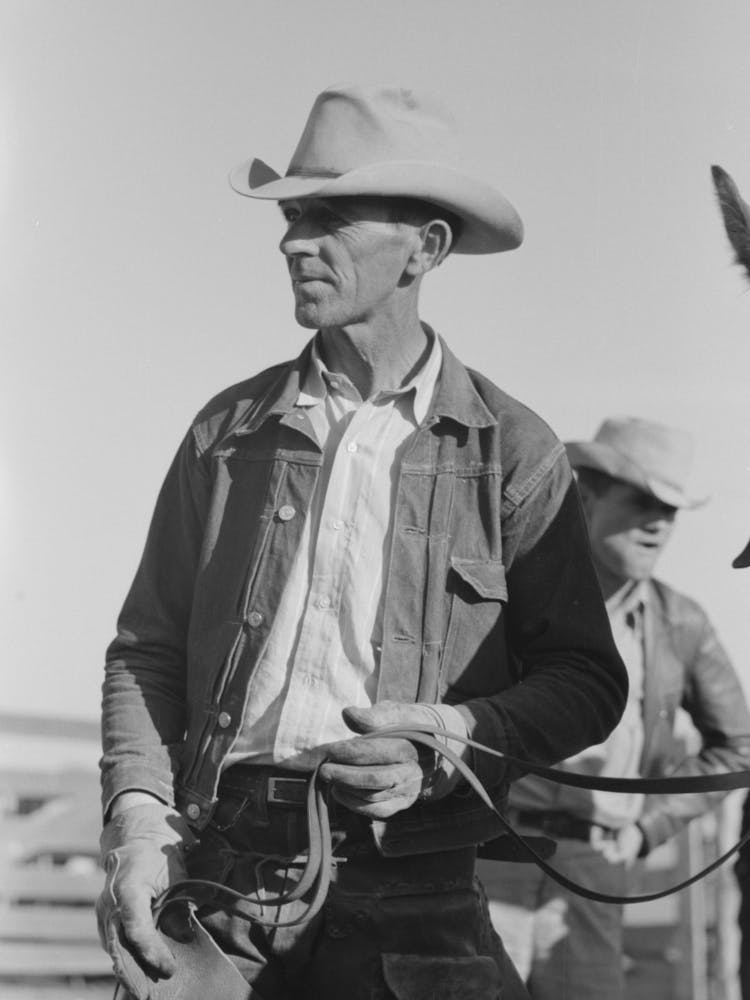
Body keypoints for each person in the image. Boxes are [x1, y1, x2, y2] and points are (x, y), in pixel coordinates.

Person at [95, 84, 628, 1000]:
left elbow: (586, 679)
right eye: (294, 214)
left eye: (330, 216)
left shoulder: (516, 451)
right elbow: (146, 652)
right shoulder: (228, 432)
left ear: (427, 247)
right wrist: (139, 826)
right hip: (217, 883)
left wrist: (450, 739)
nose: (293, 240)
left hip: (417, 895)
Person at [480, 416, 750, 1000]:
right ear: (587, 495)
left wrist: (647, 830)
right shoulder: (507, 599)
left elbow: (740, 747)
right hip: (493, 853)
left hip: (596, 871)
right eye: (643, 500)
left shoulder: (682, 623)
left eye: (671, 509)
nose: (659, 523)